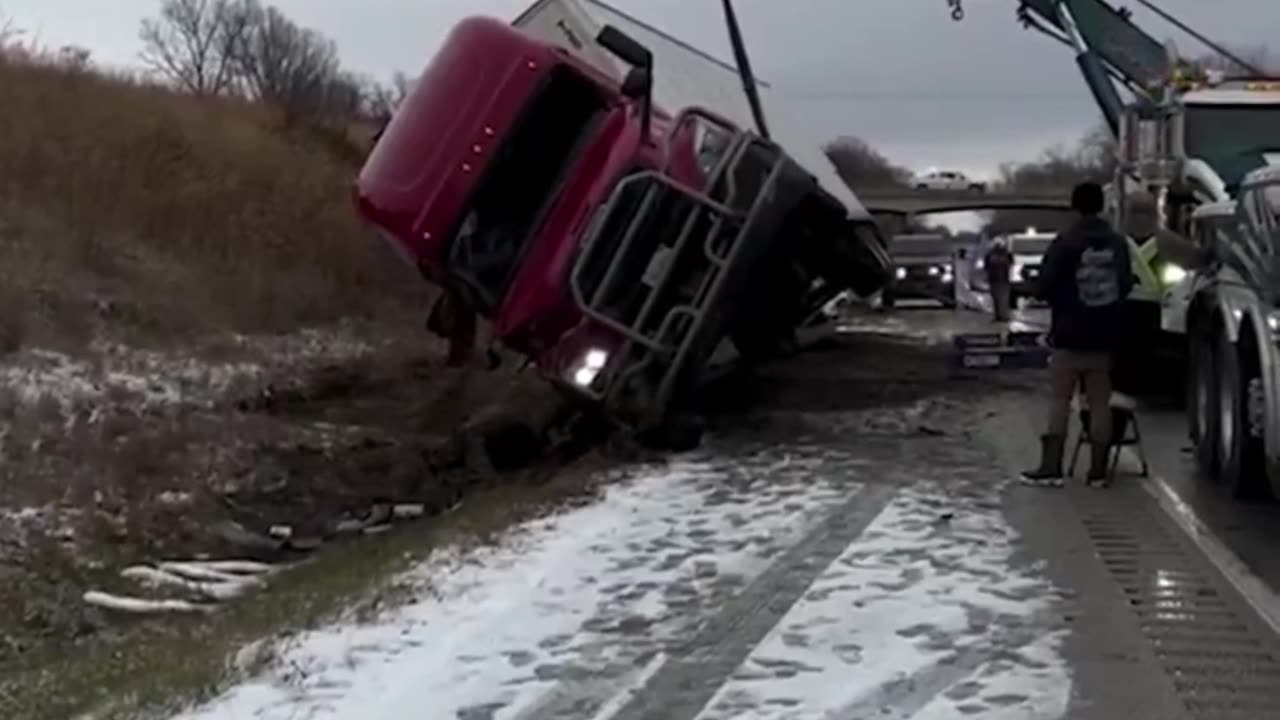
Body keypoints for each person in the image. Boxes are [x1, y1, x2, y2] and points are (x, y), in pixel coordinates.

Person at [1022, 181, 1133, 487]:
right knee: (1099, 402)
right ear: (1102, 205)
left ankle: (1051, 467)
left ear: (1075, 205)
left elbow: (1044, 286)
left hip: (1069, 334)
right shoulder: (1117, 243)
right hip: (1104, 336)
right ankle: (1098, 470)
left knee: (1060, 400)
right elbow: (1125, 282)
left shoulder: (1065, 242)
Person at [983, 238, 1014, 321]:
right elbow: (1011, 263)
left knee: (999, 299)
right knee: (1001, 299)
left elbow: (986, 266)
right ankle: (1001, 316)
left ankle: (1001, 316)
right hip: (1001, 280)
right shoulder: (1006, 254)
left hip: (999, 280)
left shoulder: (991, 255)